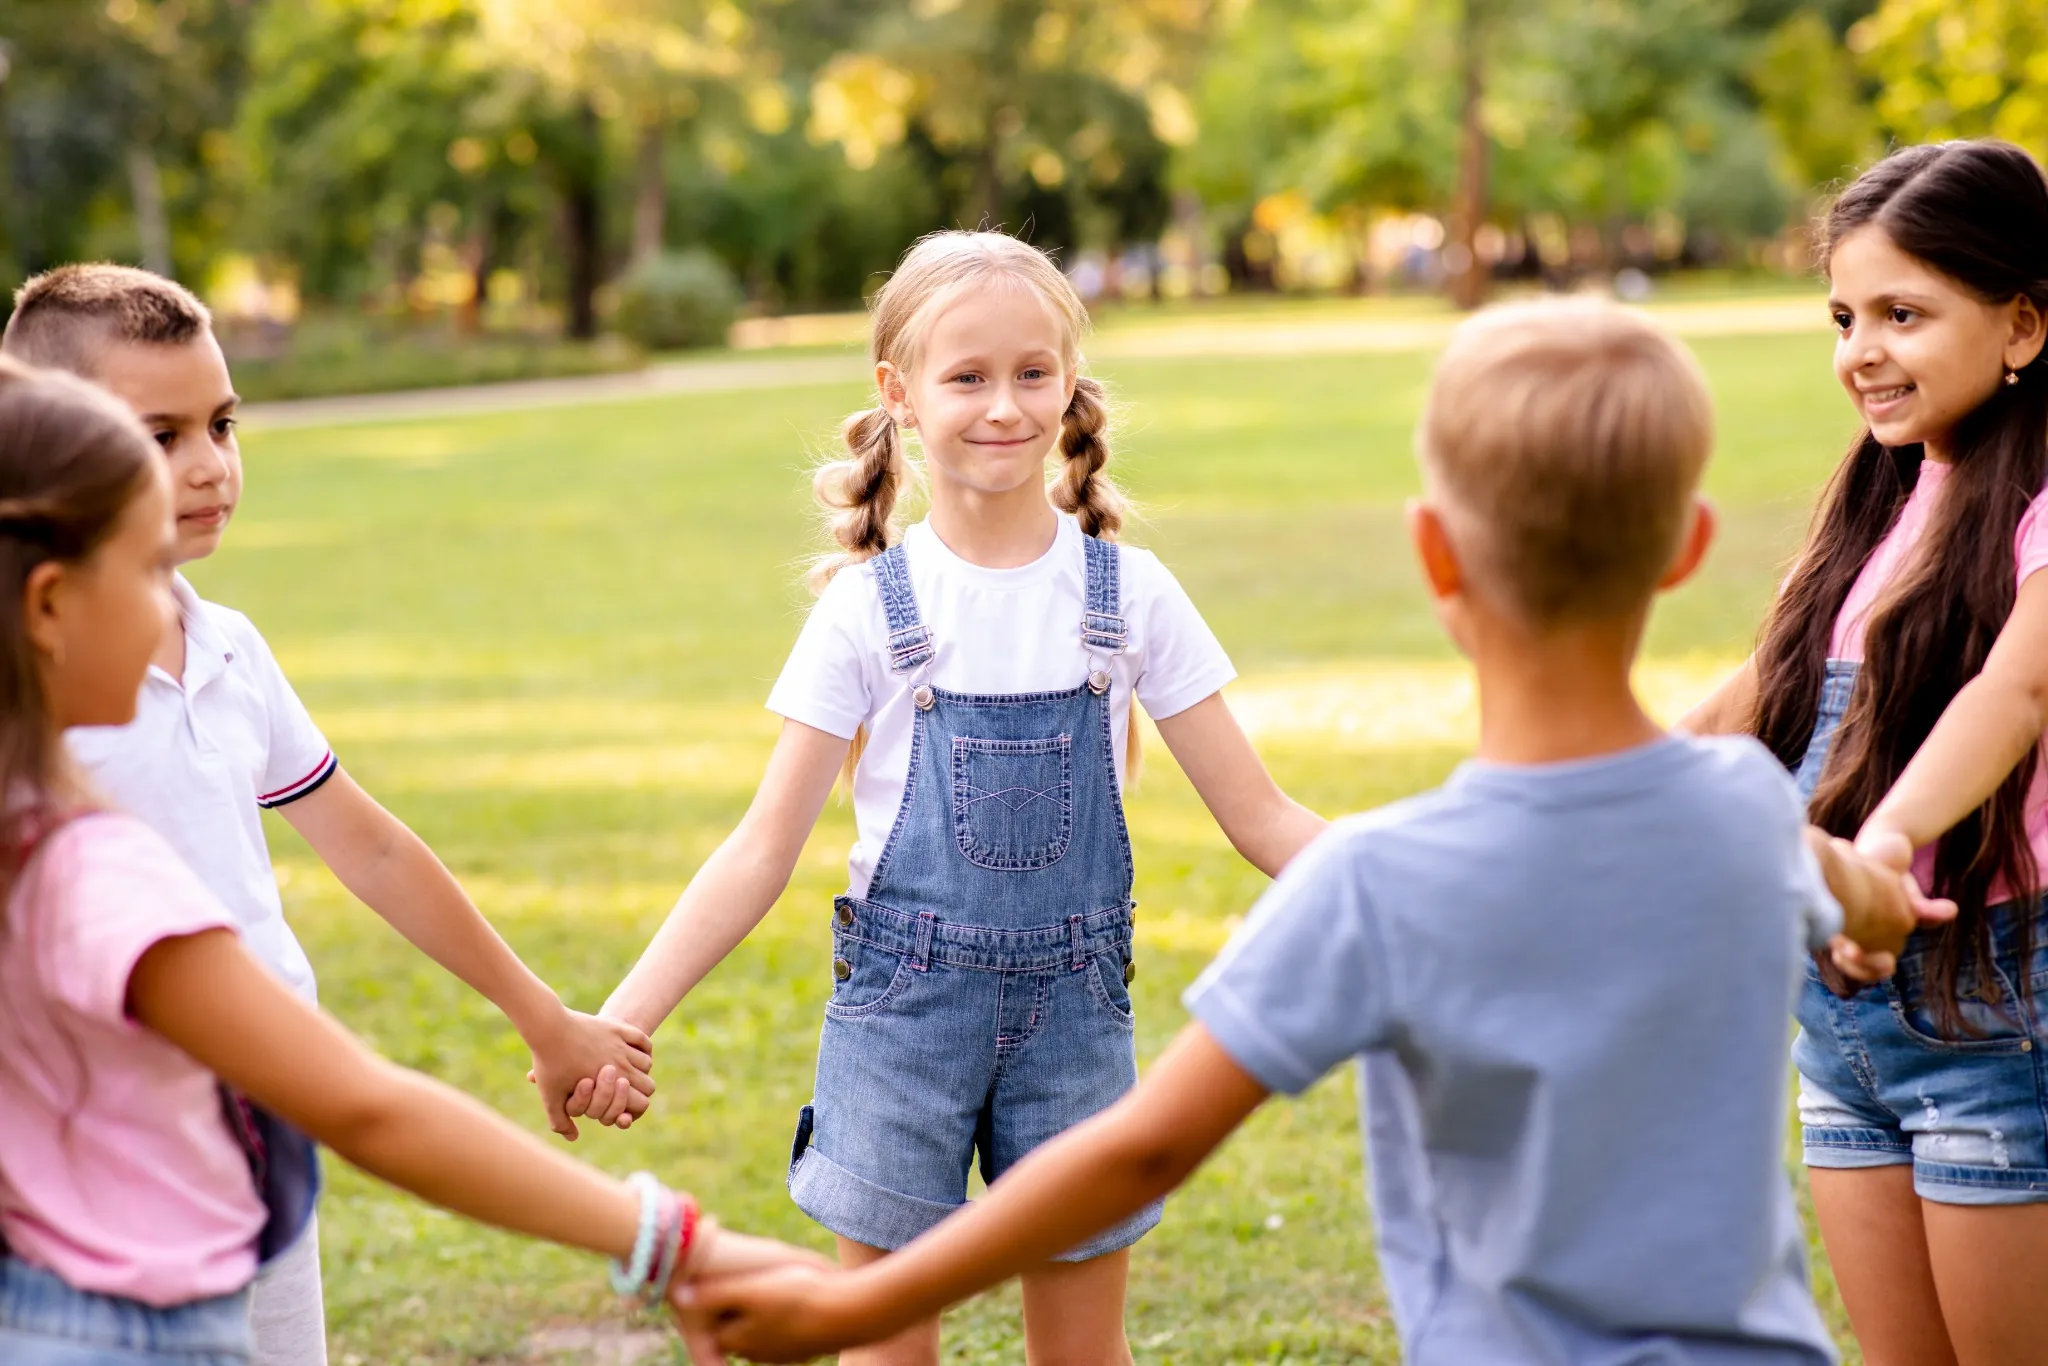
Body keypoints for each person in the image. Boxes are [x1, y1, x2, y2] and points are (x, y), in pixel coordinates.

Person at [680, 298, 1944, 1365]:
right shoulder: (1742, 811)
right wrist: (1878, 895)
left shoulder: (1380, 887)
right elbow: (1857, 892)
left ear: (1433, 556)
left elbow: (1142, 1148)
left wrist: (855, 1301)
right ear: (1685, 549)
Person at [596, 229, 1326, 1365]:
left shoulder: (1128, 593)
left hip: (1076, 1022)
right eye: (967, 377)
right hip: (903, 1023)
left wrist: (1433, 884)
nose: (1004, 407)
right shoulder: (863, 610)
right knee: (884, 1346)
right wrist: (622, 1017)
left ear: (1069, 383)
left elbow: (1263, 818)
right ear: (898, 394)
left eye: (1033, 373)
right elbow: (759, 848)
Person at [0, 358, 817, 1366]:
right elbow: (367, 1108)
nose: (173, 601)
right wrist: (673, 1241)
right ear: (47, 607)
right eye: (141, 568)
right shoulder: (84, 876)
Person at [1683, 139, 2048, 1366]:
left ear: (2020, 327)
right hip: (1836, 1017)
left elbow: (2017, 687)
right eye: (1843, 315)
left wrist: (1882, 843)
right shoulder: (1880, 504)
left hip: (1986, 1003)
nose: (1859, 350)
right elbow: (1758, 692)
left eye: (1902, 313)